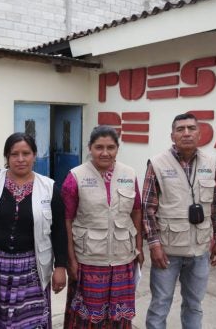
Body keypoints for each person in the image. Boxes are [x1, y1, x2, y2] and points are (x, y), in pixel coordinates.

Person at [0, 132, 67, 329]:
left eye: (26, 153)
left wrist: (60, 267)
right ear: (7, 157)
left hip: (30, 271)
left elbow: (59, 230)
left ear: (34, 155)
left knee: (28, 322)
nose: (21, 159)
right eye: (14, 154)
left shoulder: (49, 189)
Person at [143, 113, 216, 329]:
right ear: (172, 135)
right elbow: (147, 210)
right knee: (160, 305)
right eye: (180, 129)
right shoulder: (158, 164)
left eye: (191, 128)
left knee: (194, 305)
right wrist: (154, 246)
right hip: (167, 252)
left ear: (199, 134)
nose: (186, 133)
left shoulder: (210, 163)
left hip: (200, 251)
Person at [61, 125, 144, 329]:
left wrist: (139, 248)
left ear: (117, 148)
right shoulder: (75, 177)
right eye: (99, 147)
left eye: (110, 147)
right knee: (86, 317)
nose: (105, 153)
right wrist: (70, 259)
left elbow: (136, 211)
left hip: (122, 259)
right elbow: (67, 219)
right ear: (90, 147)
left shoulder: (129, 174)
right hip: (88, 259)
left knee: (118, 316)